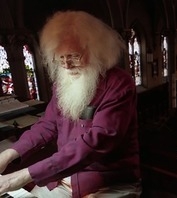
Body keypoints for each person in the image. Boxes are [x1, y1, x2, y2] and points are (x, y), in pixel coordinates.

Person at [0, 10, 141, 198]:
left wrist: (22, 176)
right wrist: (9, 154)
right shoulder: (62, 84)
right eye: (60, 57)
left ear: (95, 51)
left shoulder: (119, 84)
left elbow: (95, 143)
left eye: (74, 56)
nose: (66, 65)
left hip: (107, 183)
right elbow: (46, 126)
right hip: (62, 181)